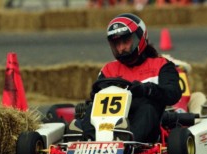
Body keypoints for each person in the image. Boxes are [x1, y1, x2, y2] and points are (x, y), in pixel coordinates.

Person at [69, 13, 182, 143]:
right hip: (109, 123)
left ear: (139, 38)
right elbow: (96, 96)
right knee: (93, 106)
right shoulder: (109, 69)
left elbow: (173, 94)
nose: (121, 48)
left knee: (148, 107)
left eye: (125, 41)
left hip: (148, 125)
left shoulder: (161, 65)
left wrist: (147, 90)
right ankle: (88, 140)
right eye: (117, 43)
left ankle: (126, 139)